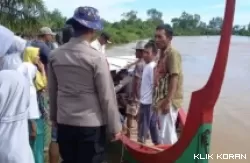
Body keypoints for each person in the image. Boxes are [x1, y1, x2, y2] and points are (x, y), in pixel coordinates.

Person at [48, 6, 121, 163]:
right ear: (93, 30)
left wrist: (54, 117)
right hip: (90, 126)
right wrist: (115, 127)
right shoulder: (96, 58)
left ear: (73, 27)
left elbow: (52, 91)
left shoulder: (55, 55)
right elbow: (106, 96)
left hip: (64, 123)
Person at [153, 24, 183, 144]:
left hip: (168, 101)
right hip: (161, 100)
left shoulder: (172, 54)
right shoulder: (162, 53)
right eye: (155, 37)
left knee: (168, 135)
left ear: (170, 38)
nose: (157, 40)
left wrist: (168, 101)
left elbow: (174, 77)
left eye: (160, 37)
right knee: (164, 132)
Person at [23, 47, 47, 163]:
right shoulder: (30, 72)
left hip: (35, 115)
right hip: (34, 117)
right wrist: (42, 69)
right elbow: (43, 84)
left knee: (34, 146)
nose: (39, 57)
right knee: (36, 147)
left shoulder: (26, 70)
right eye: (37, 55)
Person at [137, 40, 159, 145]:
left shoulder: (152, 67)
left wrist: (153, 103)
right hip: (146, 101)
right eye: (144, 52)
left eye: (147, 53)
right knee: (151, 124)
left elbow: (155, 86)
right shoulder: (147, 65)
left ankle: (142, 144)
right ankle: (157, 143)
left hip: (148, 102)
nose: (144, 55)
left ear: (154, 54)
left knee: (144, 125)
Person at [126, 41, 146, 138]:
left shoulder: (139, 66)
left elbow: (136, 81)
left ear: (141, 52)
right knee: (139, 114)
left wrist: (133, 95)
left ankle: (128, 134)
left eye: (136, 51)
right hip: (143, 94)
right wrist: (130, 65)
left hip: (136, 94)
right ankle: (142, 133)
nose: (135, 53)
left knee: (130, 113)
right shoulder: (146, 62)